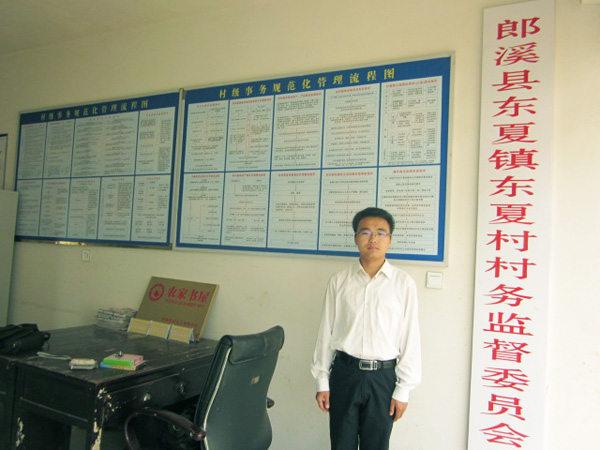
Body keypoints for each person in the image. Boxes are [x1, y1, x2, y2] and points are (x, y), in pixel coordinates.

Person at [311, 207, 421, 450]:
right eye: (366, 232)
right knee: (341, 444)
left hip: (383, 379)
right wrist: (322, 380)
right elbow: (325, 332)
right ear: (355, 238)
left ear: (390, 240)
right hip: (344, 374)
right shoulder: (339, 281)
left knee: (376, 445)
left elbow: (410, 338)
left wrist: (403, 390)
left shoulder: (403, 284)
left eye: (381, 233)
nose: (373, 239)